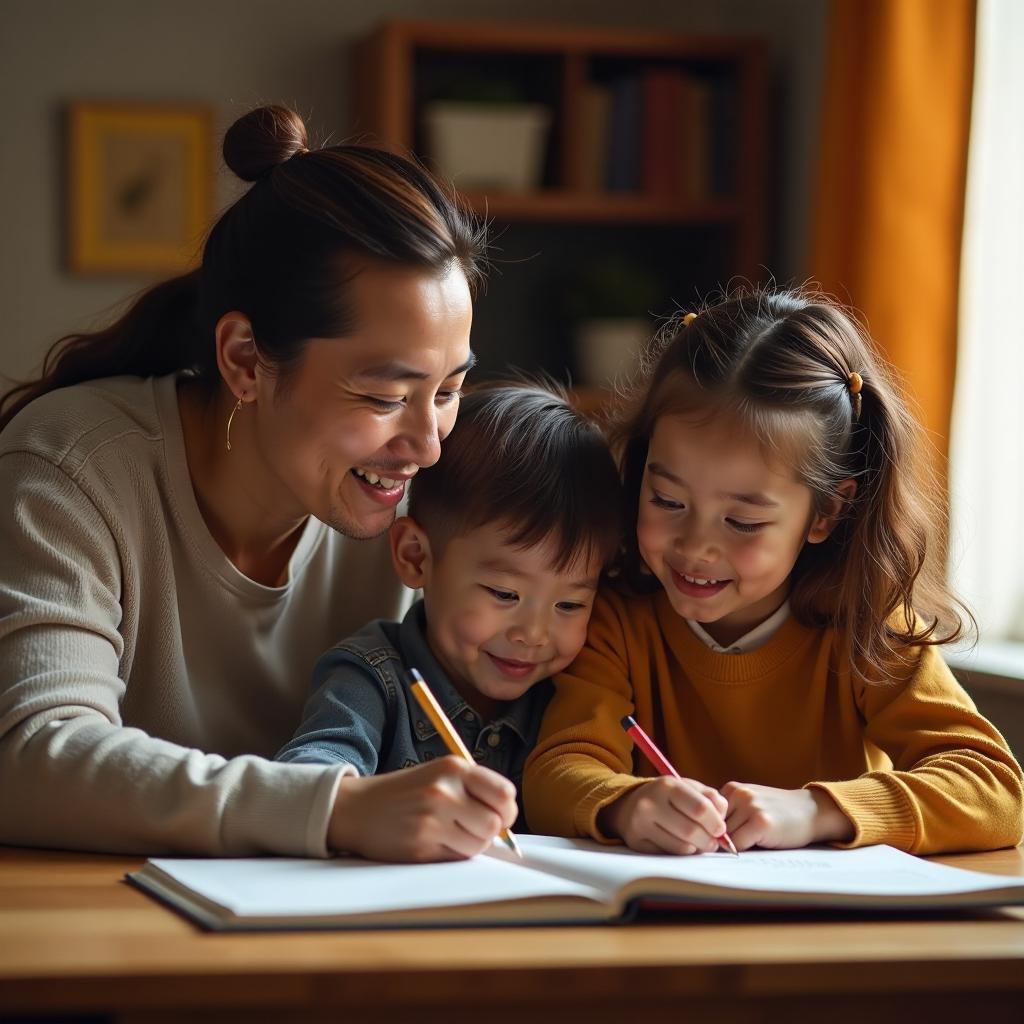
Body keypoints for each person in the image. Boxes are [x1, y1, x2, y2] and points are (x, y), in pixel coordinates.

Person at [0, 104, 507, 857]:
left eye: (446, 392)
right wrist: (332, 809)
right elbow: (32, 759)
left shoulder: (423, 506)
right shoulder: (74, 465)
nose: (427, 447)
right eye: (383, 396)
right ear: (244, 360)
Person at [524, 287, 1024, 856]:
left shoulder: (865, 624)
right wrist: (623, 803)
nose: (696, 547)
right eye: (667, 501)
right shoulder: (616, 615)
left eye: (741, 522)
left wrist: (817, 810)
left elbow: (995, 791)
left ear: (826, 513)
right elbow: (557, 771)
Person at [276, 383, 623, 860]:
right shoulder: (370, 676)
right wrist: (361, 806)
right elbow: (309, 774)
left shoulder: (569, 694)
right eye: (505, 594)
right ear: (416, 557)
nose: (534, 634)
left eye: (570, 605)